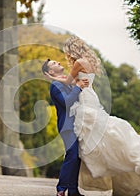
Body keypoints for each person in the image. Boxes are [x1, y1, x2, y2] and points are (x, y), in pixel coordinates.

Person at [45, 36, 140, 196]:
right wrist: (60, 80)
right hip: (88, 98)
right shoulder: (87, 62)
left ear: (71, 50)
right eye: (55, 64)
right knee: (86, 146)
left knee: (82, 148)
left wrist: (55, 78)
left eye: (66, 53)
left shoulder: (78, 64)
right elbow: (71, 85)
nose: (63, 59)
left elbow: (71, 82)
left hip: (84, 100)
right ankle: (70, 189)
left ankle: (68, 188)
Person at [42, 59, 89, 196]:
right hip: (67, 126)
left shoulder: (64, 82)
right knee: (72, 155)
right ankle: (61, 189)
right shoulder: (55, 85)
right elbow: (67, 102)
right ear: (50, 72)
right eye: (54, 64)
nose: (59, 63)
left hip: (78, 124)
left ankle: (73, 191)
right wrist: (78, 87)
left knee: (77, 157)